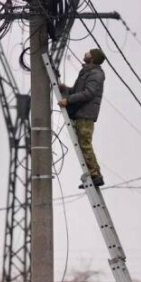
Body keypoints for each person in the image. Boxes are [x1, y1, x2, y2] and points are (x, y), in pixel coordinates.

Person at [57, 47, 107, 187]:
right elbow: (77, 91)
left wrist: (68, 100)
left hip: (85, 114)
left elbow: (88, 93)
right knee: (82, 144)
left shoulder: (96, 74)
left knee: (85, 144)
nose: (86, 53)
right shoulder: (87, 72)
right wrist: (65, 89)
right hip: (81, 113)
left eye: (89, 52)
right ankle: (93, 174)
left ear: (93, 58)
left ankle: (95, 175)